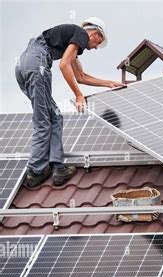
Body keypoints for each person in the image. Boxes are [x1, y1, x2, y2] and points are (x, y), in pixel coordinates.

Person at [15, 17, 125, 188]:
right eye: (99, 42)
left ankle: (58, 167)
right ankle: (35, 171)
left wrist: (108, 83)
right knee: (43, 121)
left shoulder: (71, 42)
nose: (96, 47)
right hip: (37, 64)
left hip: (24, 64)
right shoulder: (80, 33)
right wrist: (79, 96)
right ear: (95, 33)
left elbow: (81, 76)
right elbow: (64, 65)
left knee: (55, 117)